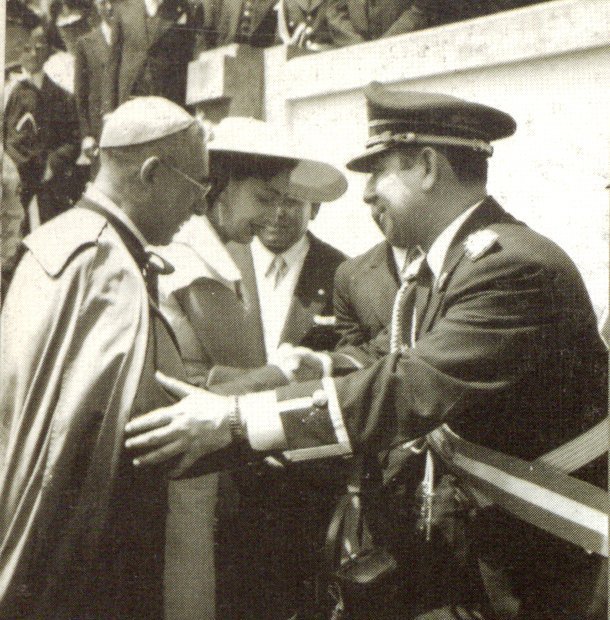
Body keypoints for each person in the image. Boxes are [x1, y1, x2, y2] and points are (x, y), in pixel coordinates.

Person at [125, 84, 608, 619]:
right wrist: (327, 363)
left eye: (379, 172)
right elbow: (390, 351)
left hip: (548, 557)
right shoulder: (454, 264)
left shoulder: (511, 266)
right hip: (492, 548)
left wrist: (236, 419)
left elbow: (410, 387)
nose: (366, 193)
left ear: (427, 166)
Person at [0, 97, 212, 619]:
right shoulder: (105, 264)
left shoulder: (57, 241)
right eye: (197, 186)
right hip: (85, 562)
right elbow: (96, 444)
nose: (200, 207)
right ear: (152, 173)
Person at [157, 116, 348, 620]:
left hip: (270, 482)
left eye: (288, 201)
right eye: (264, 199)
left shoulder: (215, 252)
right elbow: (222, 378)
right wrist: (284, 369)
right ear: (219, 187)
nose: (274, 217)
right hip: (199, 481)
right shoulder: (196, 263)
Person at [4, 25, 81, 228]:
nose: (33, 54)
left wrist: (52, 164)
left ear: (48, 52)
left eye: (40, 48)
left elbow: (74, 139)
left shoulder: (61, 97)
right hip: (12, 181)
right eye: (27, 48)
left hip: (47, 184)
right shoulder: (9, 91)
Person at [109, 0, 200, 108]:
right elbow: (113, 62)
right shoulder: (123, 8)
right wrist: (109, 109)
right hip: (130, 95)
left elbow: (192, 56)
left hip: (168, 98)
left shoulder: (184, 8)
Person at [74, 0, 116, 170]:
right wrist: (86, 135)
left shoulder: (133, 41)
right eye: (104, 2)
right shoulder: (85, 43)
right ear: (97, 6)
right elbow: (81, 94)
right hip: (100, 133)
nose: (110, 7)